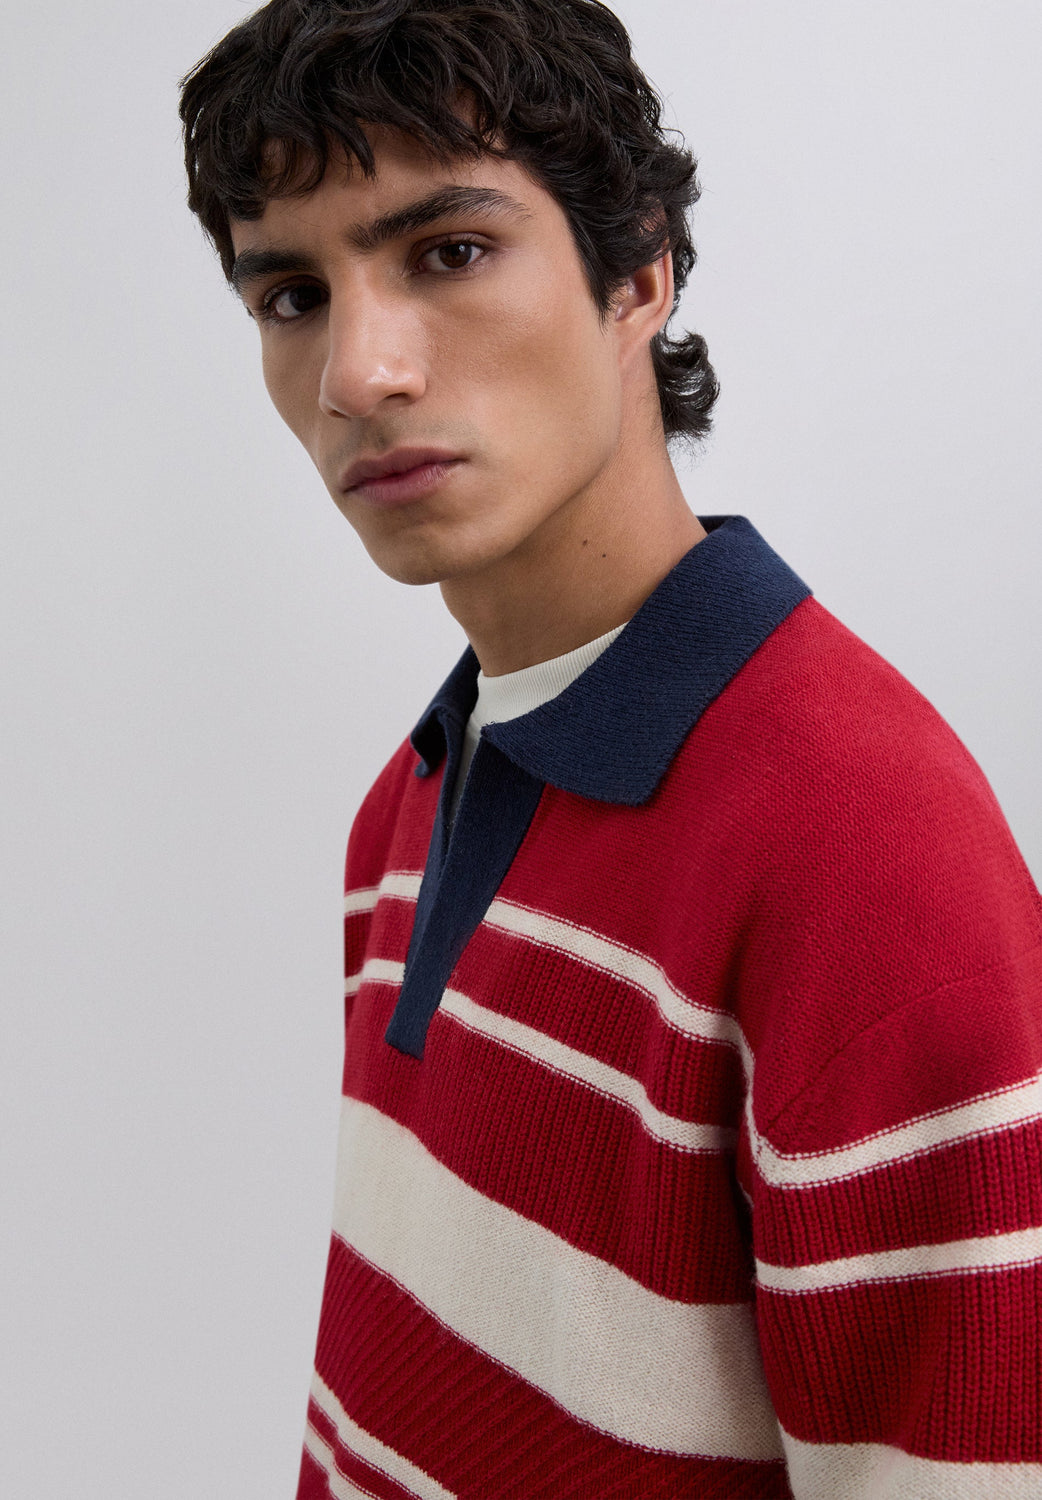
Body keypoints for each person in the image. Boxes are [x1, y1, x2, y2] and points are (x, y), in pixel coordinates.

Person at [179, 2, 1042, 1495]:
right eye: (293, 295)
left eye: (449, 251)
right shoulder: (407, 802)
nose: (356, 373)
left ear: (637, 272)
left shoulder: (866, 854)